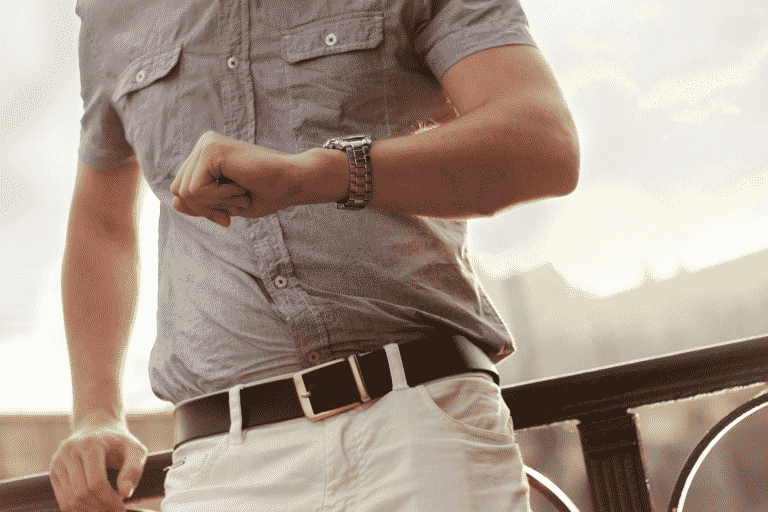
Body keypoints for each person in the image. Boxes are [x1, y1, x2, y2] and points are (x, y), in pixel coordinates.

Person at [50, 0, 579, 510]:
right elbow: (103, 224)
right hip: (221, 469)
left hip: (421, 435)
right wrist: (96, 413)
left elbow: (542, 142)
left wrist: (320, 175)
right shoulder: (109, 11)